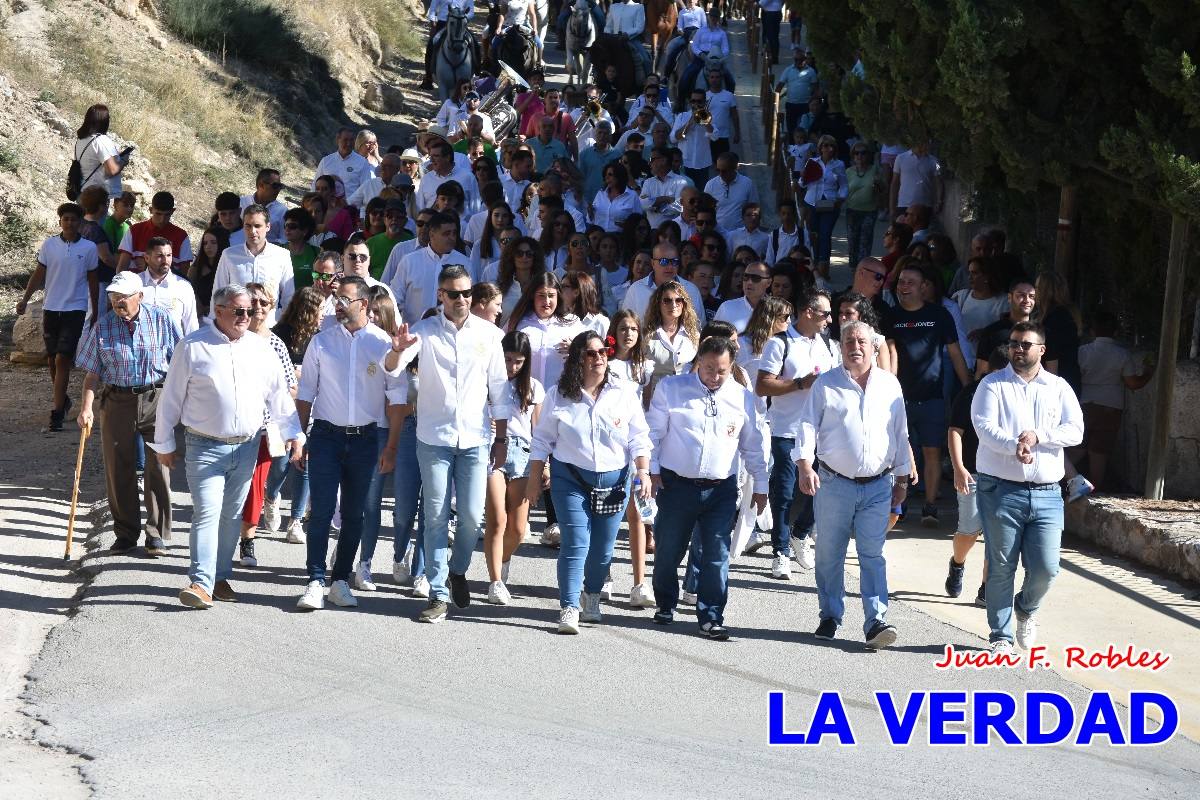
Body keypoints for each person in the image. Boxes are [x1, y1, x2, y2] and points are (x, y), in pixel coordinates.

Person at [152, 284, 304, 609]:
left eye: (249, 311)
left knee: (231, 516)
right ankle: (201, 582)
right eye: (238, 311)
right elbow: (170, 399)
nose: (246, 317)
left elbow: (279, 396)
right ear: (218, 310)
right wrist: (163, 442)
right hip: (203, 446)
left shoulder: (261, 349)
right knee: (207, 512)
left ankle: (219, 577)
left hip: (247, 446)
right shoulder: (192, 347)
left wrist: (294, 434)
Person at [389, 266, 512, 623]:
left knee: (473, 518)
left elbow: (500, 390)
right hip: (434, 437)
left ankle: (458, 568)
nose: (462, 300)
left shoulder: (489, 334)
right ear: (440, 295)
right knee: (436, 517)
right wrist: (397, 351)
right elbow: (394, 368)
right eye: (454, 294)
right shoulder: (424, 332)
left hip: (475, 438)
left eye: (467, 293)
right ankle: (439, 592)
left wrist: (502, 437)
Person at [795, 320, 913, 649]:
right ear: (841, 347)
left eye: (861, 341)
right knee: (829, 555)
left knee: (872, 554)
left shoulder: (890, 385)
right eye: (848, 341)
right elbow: (806, 426)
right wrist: (805, 464)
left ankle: (875, 620)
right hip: (834, 483)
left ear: (874, 348)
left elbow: (900, 434)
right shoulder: (826, 384)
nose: (854, 346)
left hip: (878, 485)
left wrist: (902, 477)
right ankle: (830, 614)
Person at [526, 331, 652, 633]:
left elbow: (638, 437)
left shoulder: (623, 392)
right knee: (575, 543)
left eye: (603, 352)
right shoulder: (560, 394)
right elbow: (542, 440)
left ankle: (591, 594)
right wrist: (534, 477)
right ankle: (569, 606)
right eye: (591, 354)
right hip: (570, 478)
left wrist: (643, 472)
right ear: (577, 360)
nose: (599, 358)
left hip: (615, 481)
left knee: (603, 549)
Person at [971, 321, 1084, 654]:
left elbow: (1075, 430)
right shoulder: (992, 384)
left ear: (1042, 350)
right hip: (1000, 489)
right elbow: (984, 427)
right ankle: (1000, 636)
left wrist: (1040, 438)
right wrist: (1013, 445)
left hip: (1048, 492)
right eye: (1014, 344)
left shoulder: (1059, 387)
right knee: (1001, 563)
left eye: (1025, 344)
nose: (1018, 349)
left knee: (1047, 568)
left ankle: (1027, 608)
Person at [293, 276, 404, 610]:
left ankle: (340, 580)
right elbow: (306, 393)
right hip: (326, 437)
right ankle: (315, 579)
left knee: (355, 514)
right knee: (323, 510)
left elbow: (397, 397)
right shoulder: (322, 342)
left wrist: (392, 447)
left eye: (344, 299)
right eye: (336, 299)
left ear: (364, 305)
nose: (337, 304)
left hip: (366, 441)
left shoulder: (383, 344)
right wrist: (299, 437)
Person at [647, 335, 768, 639]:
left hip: (721, 489)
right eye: (709, 368)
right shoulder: (671, 389)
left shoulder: (742, 398)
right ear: (698, 361)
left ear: (731, 368)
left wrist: (761, 485)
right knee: (668, 550)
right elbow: (652, 434)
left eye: (722, 371)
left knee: (716, 553)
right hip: (677, 486)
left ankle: (711, 616)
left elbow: (753, 447)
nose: (715, 376)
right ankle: (665, 602)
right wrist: (651, 471)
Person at [75, 271, 182, 556]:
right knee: (118, 467)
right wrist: (86, 408)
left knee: (158, 466)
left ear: (140, 296)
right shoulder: (103, 326)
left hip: (155, 398)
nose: (117, 302)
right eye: (113, 297)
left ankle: (156, 533)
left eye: (123, 297)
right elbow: (91, 374)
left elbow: (182, 364)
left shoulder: (161, 319)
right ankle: (125, 533)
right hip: (117, 401)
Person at [756, 288, 840, 576]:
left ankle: (801, 534)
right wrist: (800, 384)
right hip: (786, 429)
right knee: (785, 493)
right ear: (808, 312)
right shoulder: (779, 344)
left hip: (823, 433)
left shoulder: (828, 345)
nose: (830, 319)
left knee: (825, 490)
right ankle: (780, 551)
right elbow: (763, 385)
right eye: (825, 313)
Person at [884, 263, 971, 525]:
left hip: (933, 396)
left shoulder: (940, 315)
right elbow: (888, 354)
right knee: (900, 454)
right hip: (898, 400)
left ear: (924, 287)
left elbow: (955, 353)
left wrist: (969, 387)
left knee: (932, 452)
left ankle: (930, 507)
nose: (904, 286)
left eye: (911, 282)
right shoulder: (890, 316)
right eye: (901, 282)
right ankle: (900, 505)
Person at [17, 203, 99, 431]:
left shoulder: (89, 248)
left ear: (80, 222)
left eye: (74, 219)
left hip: (76, 309)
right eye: (66, 219)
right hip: (51, 307)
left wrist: (96, 310)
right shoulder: (50, 245)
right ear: (60, 221)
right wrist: (25, 298)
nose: (70, 223)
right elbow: (39, 274)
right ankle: (62, 400)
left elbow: (93, 280)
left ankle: (56, 414)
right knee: (52, 359)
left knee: (63, 358)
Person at [234, 283, 299, 569]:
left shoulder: (275, 344)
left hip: (263, 429)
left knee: (255, 487)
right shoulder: (228, 338)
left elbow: (289, 388)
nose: (258, 308)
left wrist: (289, 430)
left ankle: (247, 542)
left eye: (264, 303)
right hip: (227, 427)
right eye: (253, 302)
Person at [483, 330, 544, 604]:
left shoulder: (533, 387)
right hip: (492, 448)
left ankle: (502, 559)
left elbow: (539, 431)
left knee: (519, 529)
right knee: (497, 520)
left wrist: (544, 465)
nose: (512, 367)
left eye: (519, 361)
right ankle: (495, 581)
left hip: (523, 452)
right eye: (508, 359)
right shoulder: (487, 382)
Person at [1075, 311, 1154, 491]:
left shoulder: (1082, 351)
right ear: (1116, 332)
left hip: (1084, 403)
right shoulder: (1122, 354)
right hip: (1110, 407)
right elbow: (1133, 384)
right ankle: (1095, 490)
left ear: (1092, 331)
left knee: (1077, 447)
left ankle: (1060, 479)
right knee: (1099, 451)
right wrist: (1149, 372)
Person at [209, 205, 294, 321]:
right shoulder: (229, 255)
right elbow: (218, 293)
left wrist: (284, 326)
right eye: (248, 226)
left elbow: (288, 297)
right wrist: (215, 324)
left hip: (268, 326)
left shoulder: (282, 256)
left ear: (268, 226)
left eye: (257, 226)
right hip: (236, 324)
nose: (252, 231)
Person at [389, 211, 467, 323]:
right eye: (446, 233)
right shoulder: (410, 261)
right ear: (432, 235)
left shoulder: (465, 263)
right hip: (414, 334)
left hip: (451, 335)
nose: (452, 237)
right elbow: (394, 297)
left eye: (454, 233)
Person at [620, 241, 705, 320]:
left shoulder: (691, 290)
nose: (670, 267)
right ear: (653, 263)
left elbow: (699, 327)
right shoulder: (636, 289)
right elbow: (627, 323)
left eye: (674, 262)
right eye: (664, 261)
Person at [115, 191, 193, 274]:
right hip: (135, 286)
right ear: (151, 210)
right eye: (158, 214)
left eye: (167, 215)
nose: (162, 219)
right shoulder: (134, 231)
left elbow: (184, 276)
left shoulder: (181, 237)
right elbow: (122, 267)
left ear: (173, 211)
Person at [974, 277, 1036, 378]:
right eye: (1021, 295)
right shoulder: (991, 332)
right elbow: (982, 371)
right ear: (1009, 297)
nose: (1027, 300)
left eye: (1031, 296)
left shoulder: (1041, 332)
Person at [74, 104, 128, 196]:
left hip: (82, 190)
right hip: (96, 195)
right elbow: (111, 170)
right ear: (105, 121)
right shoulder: (101, 141)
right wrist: (123, 161)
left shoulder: (81, 139)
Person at [845, 143, 883, 270]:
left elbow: (883, 188)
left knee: (865, 242)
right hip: (852, 210)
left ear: (868, 155)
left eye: (863, 153)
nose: (859, 156)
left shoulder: (874, 170)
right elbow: (842, 190)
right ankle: (853, 266)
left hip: (869, 211)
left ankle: (863, 268)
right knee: (852, 241)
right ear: (853, 155)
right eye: (856, 153)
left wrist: (878, 185)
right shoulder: (848, 172)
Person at [671, 89, 718, 188]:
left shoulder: (709, 117)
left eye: (699, 101)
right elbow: (674, 139)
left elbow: (715, 137)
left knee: (701, 195)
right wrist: (690, 122)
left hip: (703, 164)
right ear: (690, 102)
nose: (696, 104)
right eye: (693, 101)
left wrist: (706, 122)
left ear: (704, 102)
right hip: (684, 164)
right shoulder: (682, 116)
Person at [888, 140, 943, 223]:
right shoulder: (900, 158)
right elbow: (894, 183)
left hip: (925, 207)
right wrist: (892, 207)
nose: (928, 145)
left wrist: (939, 202)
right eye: (926, 142)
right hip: (904, 206)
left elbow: (939, 182)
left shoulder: (934, 161)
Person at [704, 152, 758, 233]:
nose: (720, 174)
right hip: (717, 234)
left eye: (724, 171)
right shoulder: (710, 185)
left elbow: (754, 209)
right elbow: (705, 210)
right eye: (718, 170)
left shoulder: (747, 184)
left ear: (734, 168)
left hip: (740, 234)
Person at [314, 127, 372, 201]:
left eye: (351, 140)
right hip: (327, 209)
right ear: (338, 139)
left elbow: (367, 190)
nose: (349, 143)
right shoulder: (326, 161)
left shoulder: (362, 163)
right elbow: (315, 187)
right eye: (345, 140)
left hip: (351, 209)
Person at [714, 259, 772, 332]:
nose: (749, 282)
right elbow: (714, 339)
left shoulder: (779, 310)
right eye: (745, 277)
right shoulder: (727, 307)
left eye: (756, 278)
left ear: (768, 282)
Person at [775, 47, 819, 134]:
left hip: (805, 104)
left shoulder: (811, 71)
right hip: (791, 104)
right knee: (791, 128)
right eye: (796, 59)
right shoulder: (788, 70)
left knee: (803, 128)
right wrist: (775, 99)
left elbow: (815, 88)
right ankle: (792, 145)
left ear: (805, 59)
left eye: (800, 59)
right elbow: (780, 85)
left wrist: (813, 102)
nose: (798, 61)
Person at [590, 161, 641, 233]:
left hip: (620, 238)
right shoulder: (600, 194)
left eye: (610, 174)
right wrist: (590, 212)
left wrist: (627, 225)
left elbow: (639, 221)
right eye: (605, 175)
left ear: (619, 176)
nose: (606, 177)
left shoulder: (632, 196)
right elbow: (591, 220)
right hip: (600, 238)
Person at [240, 168, 288, 245]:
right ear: (261, 185)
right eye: (275, 186)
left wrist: (265, 247)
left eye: (280, 186)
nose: (278, 190)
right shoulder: (241, 203)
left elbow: (284, 239)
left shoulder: (282, 210)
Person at [704, 69, 740, 162]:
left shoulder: (729, 95)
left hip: (723, 136)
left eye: (717, 77)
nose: (714, 79)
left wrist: (737, 133)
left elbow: (734, 115)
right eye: (712, 77)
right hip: (708, 136)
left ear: (721, 79)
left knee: (722, 163)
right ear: (708, 79)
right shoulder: (704, 96)